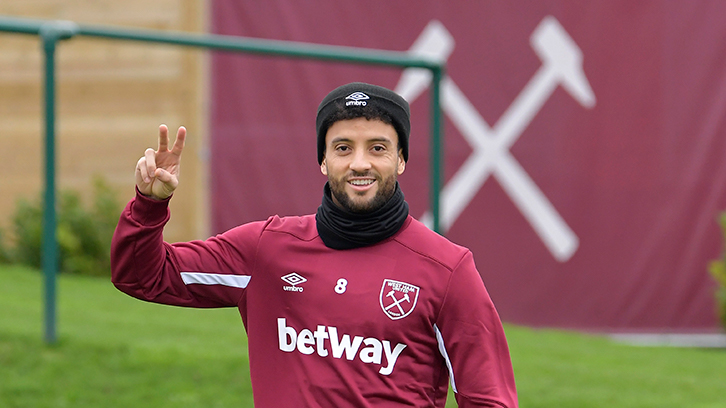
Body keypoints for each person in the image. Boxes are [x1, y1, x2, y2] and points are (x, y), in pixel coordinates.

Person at [111, 82, 518, 407]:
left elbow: (489, 398)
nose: (360, 162)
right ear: (323, 160)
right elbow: (144, 276)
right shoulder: (267, 250)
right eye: (343, 148)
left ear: (401, 160)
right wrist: (150, 205)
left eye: (378, 148)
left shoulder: (447, 270)